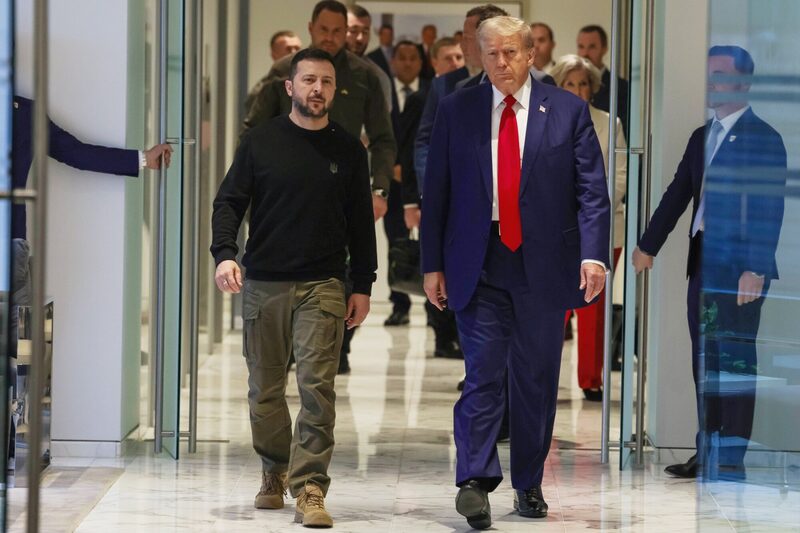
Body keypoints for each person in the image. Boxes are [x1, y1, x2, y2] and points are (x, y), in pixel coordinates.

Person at [421, 16, 610, 528]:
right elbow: (436, 189)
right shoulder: (457, 109)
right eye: (491, 54)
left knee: (535, 380)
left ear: (530, 55)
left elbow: (593, 191)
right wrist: (431, 264)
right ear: (478, 55)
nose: (501, 64)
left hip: (545, 266)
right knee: (482, 374)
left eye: (510, 53)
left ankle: (528, 483)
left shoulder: (568, 112)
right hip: (477, 261)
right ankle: (475, 481)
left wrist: (593, 255)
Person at [210, 48, 377, 528]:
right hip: (264, 283)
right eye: (308, 80)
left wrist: (361, 283)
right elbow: (229, 203)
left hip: (323, 284)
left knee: (316, 389)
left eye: (326, 82)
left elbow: (360, 225)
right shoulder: (260, 143)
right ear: (290, 87)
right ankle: (273, 470)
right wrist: (224, 253)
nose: (317, 89)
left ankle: (309, 488)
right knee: (264, 390)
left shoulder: (348, 150)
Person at [632, 46, 786, 480]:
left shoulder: (764, 138)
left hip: (741, 270)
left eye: (720, 74)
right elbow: (677, 196)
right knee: (705, 359)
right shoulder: (702, 137)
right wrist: (648, 245)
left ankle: (731, 459)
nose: (711, 82)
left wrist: (755, 267)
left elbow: (768, 207)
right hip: (703, 263)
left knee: (734, 363)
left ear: (744, 82)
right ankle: (708, 450)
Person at [244, 0, 395, 223]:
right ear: (310, 28)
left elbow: (383, 139)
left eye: (336, 31)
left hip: (340, 187)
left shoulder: (365, 76)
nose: (329, 37)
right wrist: (249, 184)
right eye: (323, 29)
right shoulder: (284, 70)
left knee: (338, 255)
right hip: (284, 185)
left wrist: (379, 190)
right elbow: (253, 131)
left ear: (346, 33)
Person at [551, 54, 627, 401]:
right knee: (552, 307)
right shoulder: (545, 118)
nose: (578, 89)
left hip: (599, 226)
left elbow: (621, 174)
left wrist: (593, 207)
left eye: (583, 83)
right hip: (555, 230)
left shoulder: (609, 123)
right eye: (570, 83)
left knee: (594, 309)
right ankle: (545, 376)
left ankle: (590, 379)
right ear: (559, 85)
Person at [383, 41, 429, 327]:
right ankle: (399, 303)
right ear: (393, 62)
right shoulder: (384, 93)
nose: (408, 63)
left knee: (428, 245)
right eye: (402, 58)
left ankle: (434, 306)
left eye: (414, 58)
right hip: (392, 184)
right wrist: (391, 169)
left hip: (421, 182)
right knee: (397, 244)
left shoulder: (430, 94)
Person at [577, 24, 629, 137]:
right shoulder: (564, 86)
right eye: (581, 47)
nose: (585, 53)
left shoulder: (621, 88)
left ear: (604, 49)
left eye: (592, 47)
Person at [345, 4, 392, 112]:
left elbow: (381, 125)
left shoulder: (377, 76)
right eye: (353, 31)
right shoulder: (324, 68)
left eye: (365, 32)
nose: (360, 38)